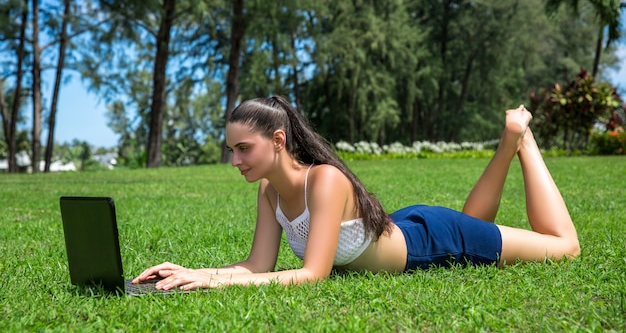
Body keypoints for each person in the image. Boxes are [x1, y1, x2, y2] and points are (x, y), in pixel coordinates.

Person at [133, 96, 580, 291]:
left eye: (243, 149)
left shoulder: (325, 180)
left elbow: (313, 275)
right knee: (477, 225)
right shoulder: (269, 191)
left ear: (278, 140)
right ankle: (510, 145)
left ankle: (521, 141)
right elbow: (256, 266)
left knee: (565, 248)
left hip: (432, 242)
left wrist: (213, 284)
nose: (236, 161)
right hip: (404, 225)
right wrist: (193, 272)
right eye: (232, 150)